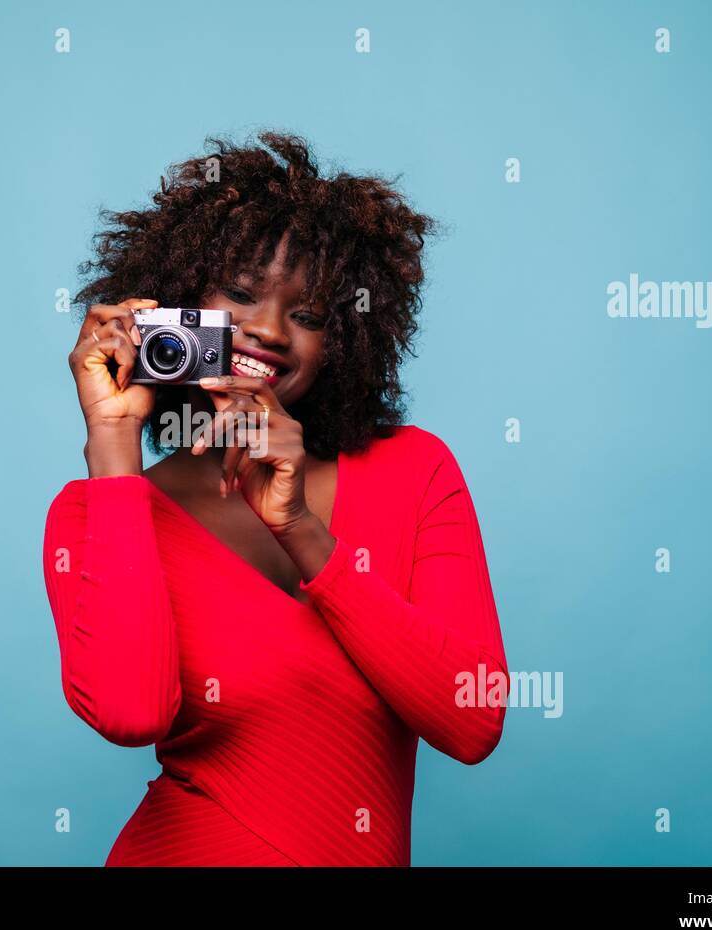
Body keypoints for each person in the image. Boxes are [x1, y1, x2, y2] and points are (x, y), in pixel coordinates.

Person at [42, 131, 509, 866]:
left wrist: (302, 531)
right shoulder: (99, 509)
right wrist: (113, 444)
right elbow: (132, 712)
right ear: (173, 302)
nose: (267, 329)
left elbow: (472, 719)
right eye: (239, 291)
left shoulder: (415, 470)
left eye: (310, 312)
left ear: (348, 335)